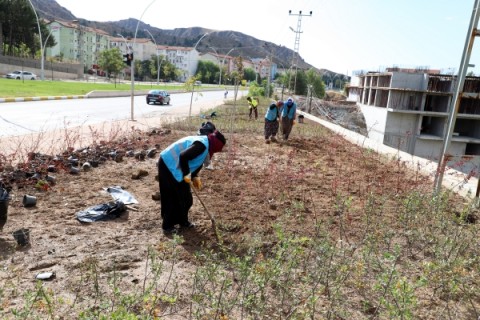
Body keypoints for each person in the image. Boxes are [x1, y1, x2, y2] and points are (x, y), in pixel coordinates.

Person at [157, 130, 226, 234]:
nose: (219, 151)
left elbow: (196, 162)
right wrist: (186, 174)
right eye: (220, 148)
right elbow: (184, 156)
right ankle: (167, 226)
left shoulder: (207, 145)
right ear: (216, 144)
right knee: (172, 196)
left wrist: (194, 177)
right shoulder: (201, 145)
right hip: (168, 164)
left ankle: (182, 221)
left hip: (177, 167)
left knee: (186, 199)